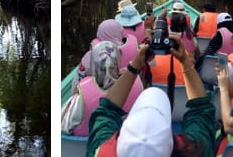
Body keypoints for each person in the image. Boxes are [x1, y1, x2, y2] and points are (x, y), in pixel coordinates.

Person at [86, 35, 217, 156]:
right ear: (173, 144)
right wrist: (184, 60)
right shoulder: (197, 150)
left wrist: (134, 66)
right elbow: (202, 111)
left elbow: (105, 112)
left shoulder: (99, 151)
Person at [61, 41, 143, 137]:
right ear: (118, 61)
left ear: (92, 63)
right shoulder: (136, 85)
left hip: (87, 148)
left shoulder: (79, 97)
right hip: (124, 146)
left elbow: (64, 128)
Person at [73, 20, 140, 93]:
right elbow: (108, 85)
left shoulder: (89, 55)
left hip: (81, 90)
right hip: (94, 94)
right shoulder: (106, 58)